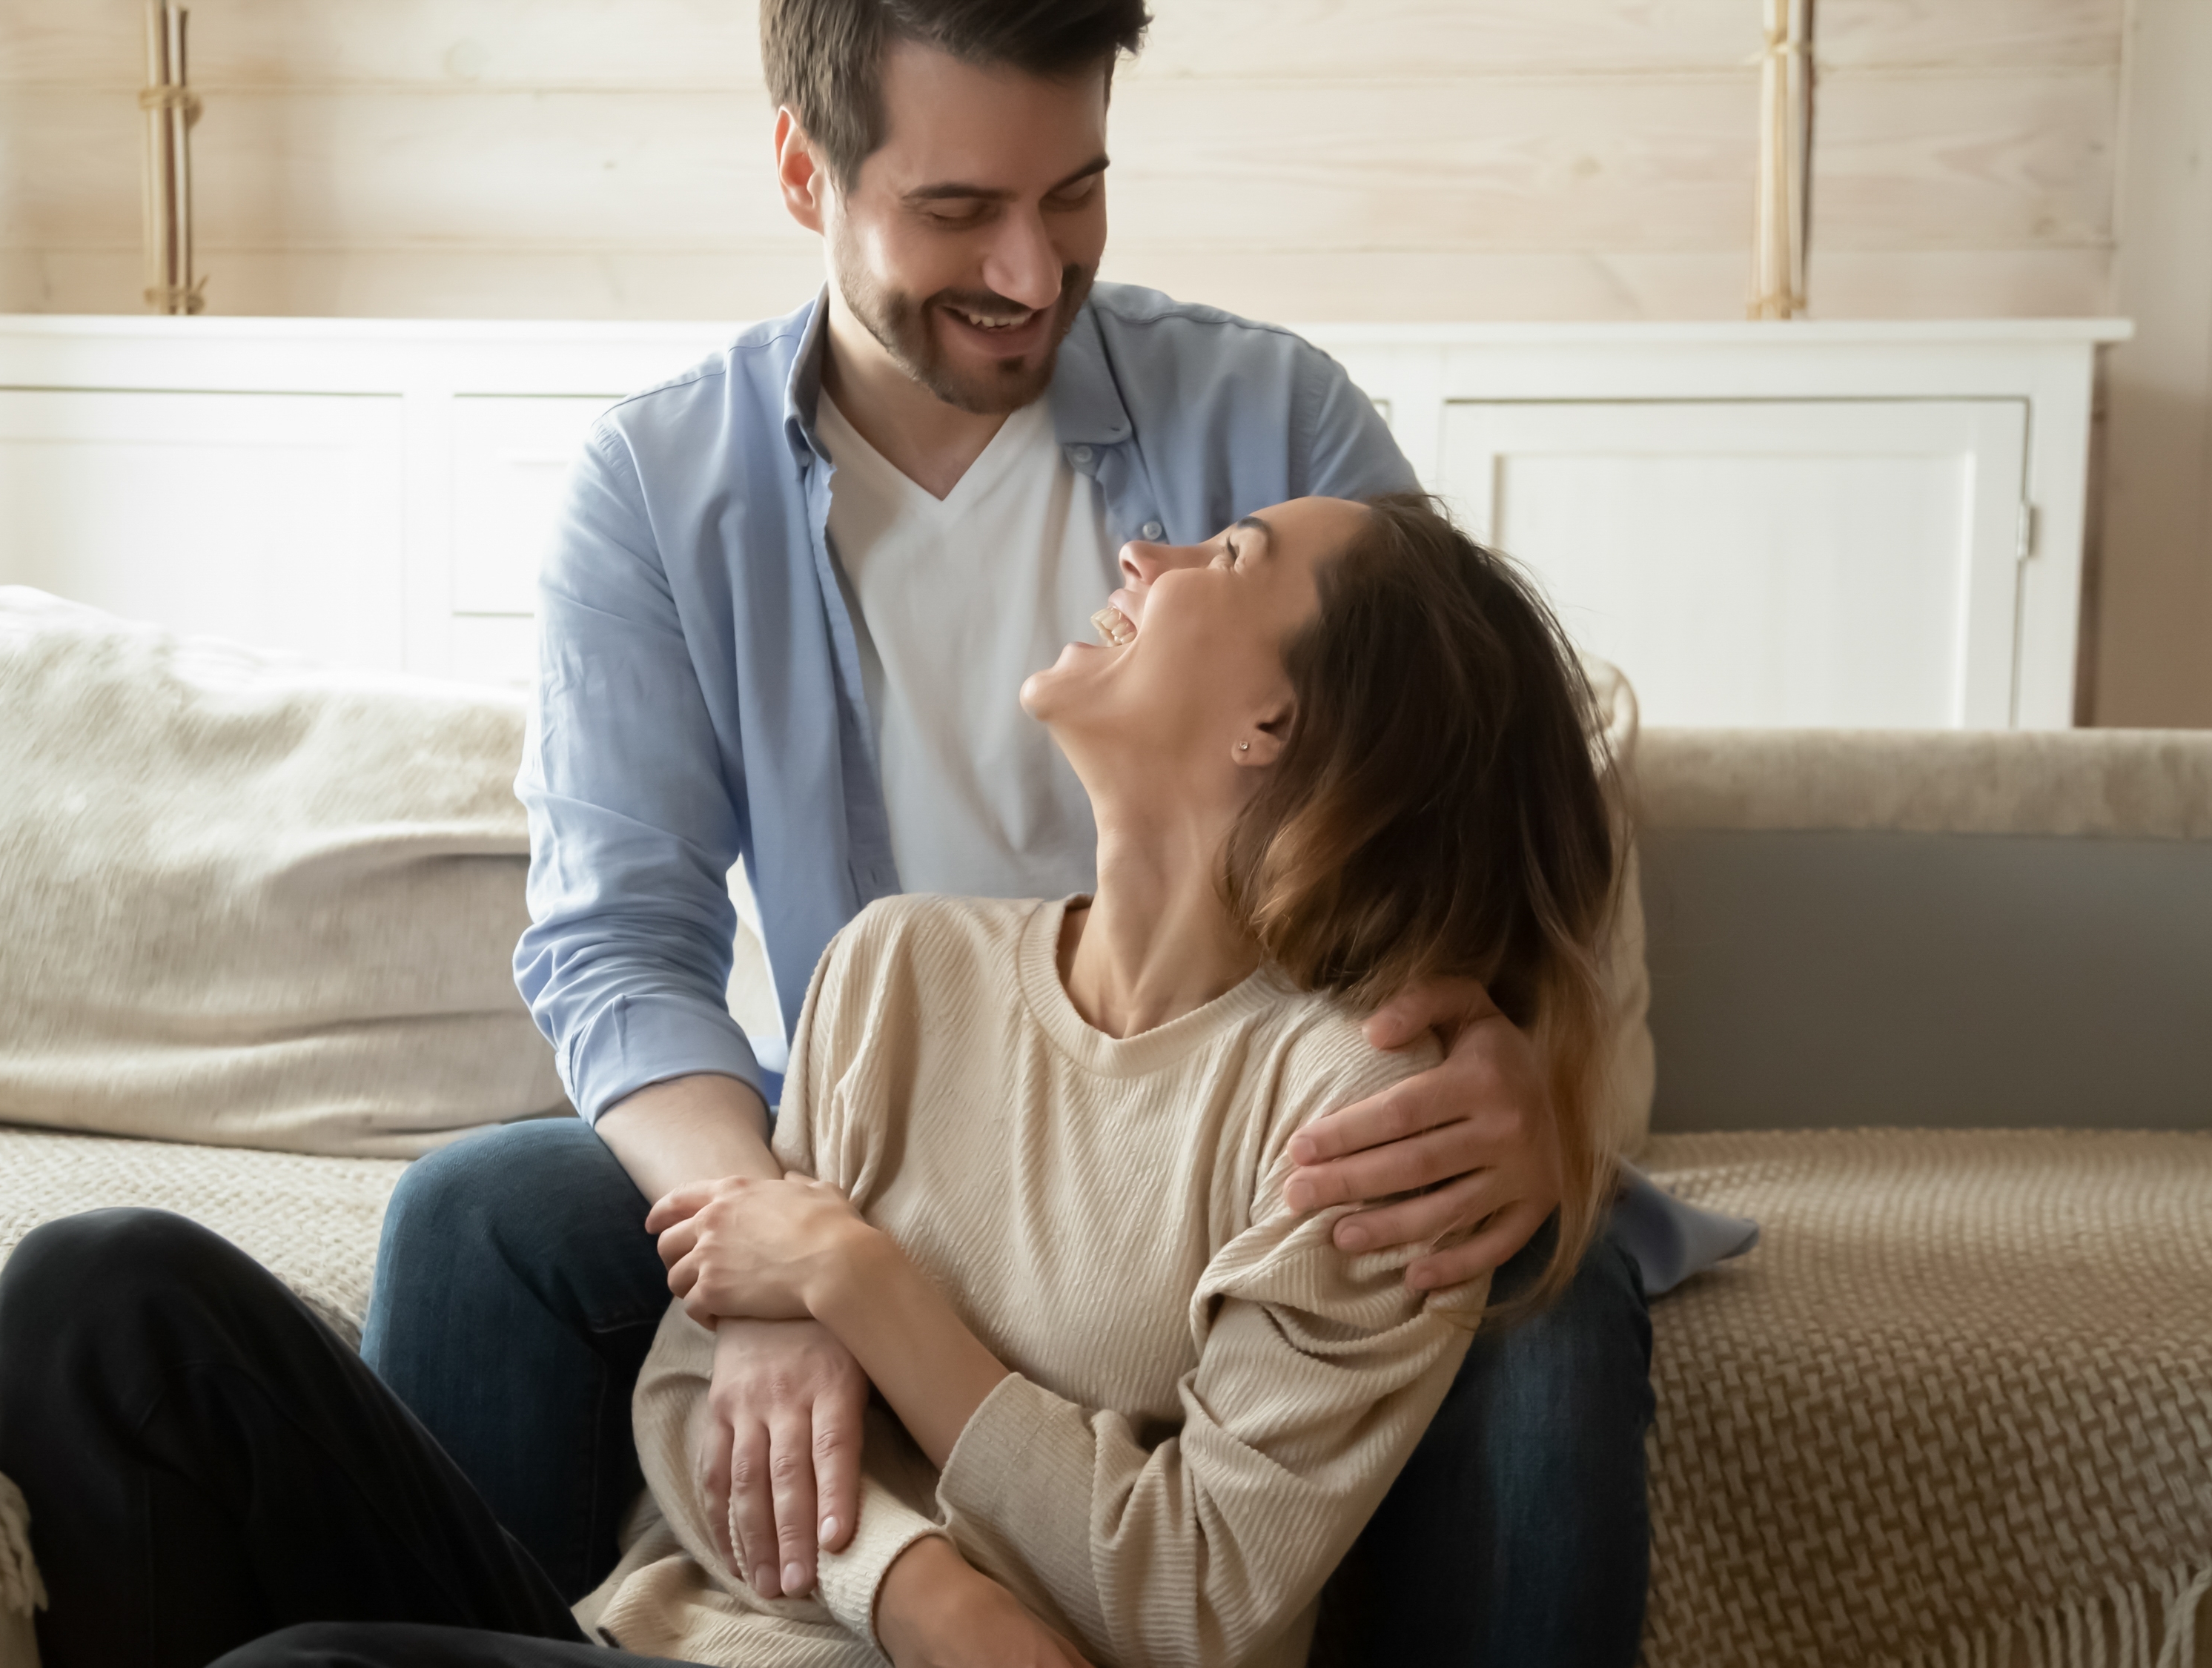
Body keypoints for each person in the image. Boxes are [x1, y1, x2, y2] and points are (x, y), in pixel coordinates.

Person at [361, 1, 1683, 1661]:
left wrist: (1521, 1066)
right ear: (803, 169)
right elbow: (616, 942)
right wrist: (785, 1249)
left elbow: (1475, 782)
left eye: (1072, 193)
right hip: (882, 1146)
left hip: (1217, 1151)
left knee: (1536, 1300)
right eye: (954, 210)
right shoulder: (655, 491)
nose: (1032, 271)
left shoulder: (1274, 421)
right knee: (476, 1217)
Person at [0, 492, 1627, 1668]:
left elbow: (1187, 1596)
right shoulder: (897, 971)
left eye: (1231, 554)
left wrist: (856, 1277)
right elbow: (694, 1401)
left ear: (1275, 717)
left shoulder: (1361, 1126)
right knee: (104, 1294)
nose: (1149, 552)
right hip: (659, 1633)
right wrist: (924, 1589)